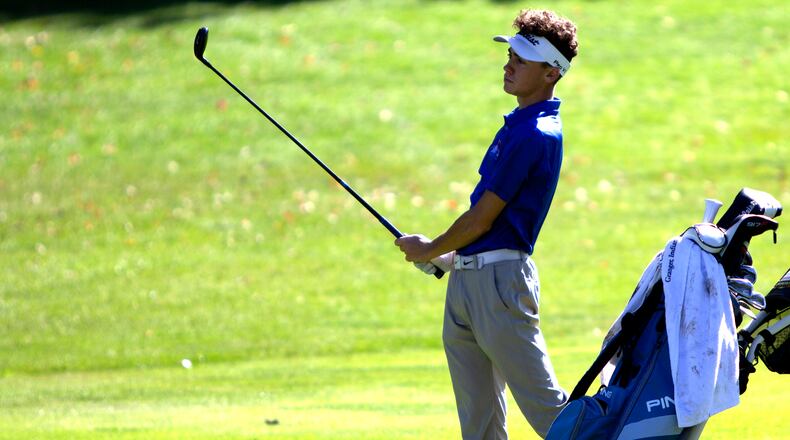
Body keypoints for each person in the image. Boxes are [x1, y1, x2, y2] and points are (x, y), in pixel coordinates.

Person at [395, 9, 579, 439]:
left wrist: (428, 249)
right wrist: (449, 256)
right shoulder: (517, 127)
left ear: (551, 73)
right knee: (479, 425)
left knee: (551, 414)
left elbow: (482, 218)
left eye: (521, 60)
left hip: (500, 285)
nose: (508, 65)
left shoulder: (537, 133)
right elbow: (486, 225)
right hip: (469, 281)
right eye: (510, 55)